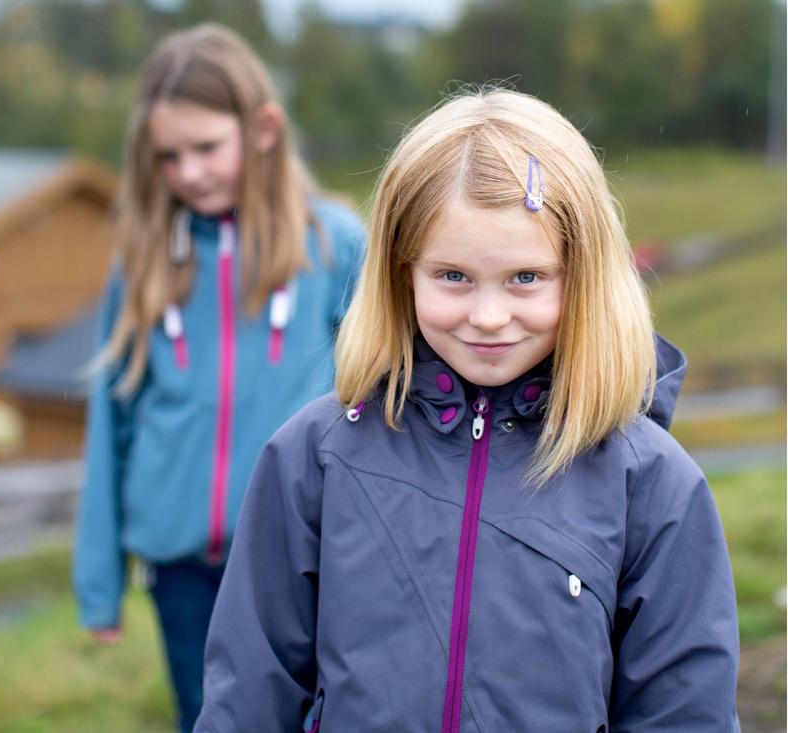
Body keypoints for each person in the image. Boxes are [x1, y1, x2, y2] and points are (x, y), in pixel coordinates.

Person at [194, 88, 740, 732]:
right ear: (402, 272)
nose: (487, 316)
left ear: (583, 275)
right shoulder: (313, 458)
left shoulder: (652, 482)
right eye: (452, 276)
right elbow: (248, 698)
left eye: (526, 278)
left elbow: (683, 713)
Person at [73, 23, 365, 733]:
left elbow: (378, 399)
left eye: (206, 148)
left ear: (263, 128)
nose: (189, 172)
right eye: (169, 156)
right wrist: (99, 582)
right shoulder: (141, 267)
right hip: (183, 576)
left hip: (302, 564)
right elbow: (111, 426)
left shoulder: (334, 245)